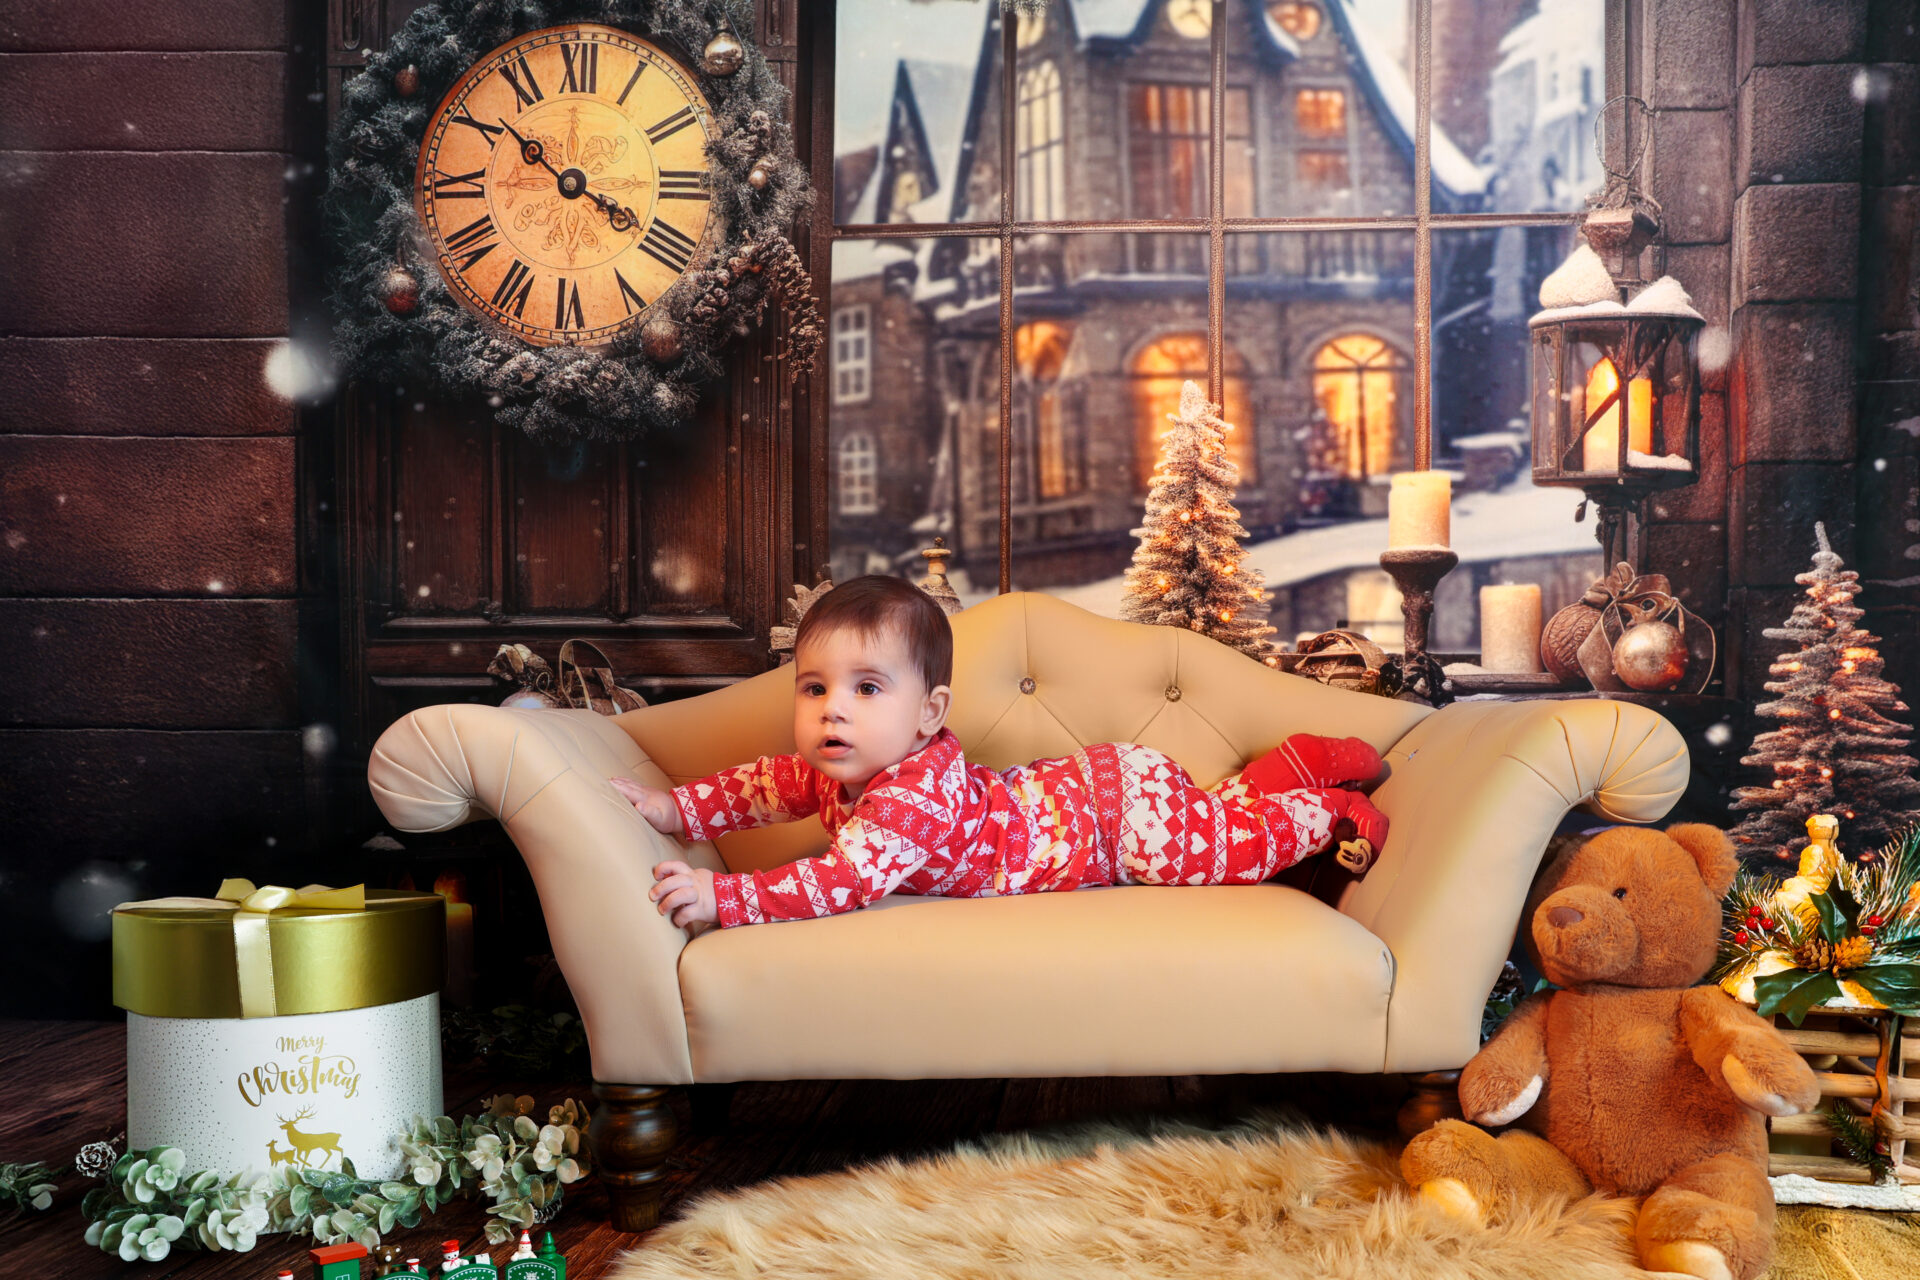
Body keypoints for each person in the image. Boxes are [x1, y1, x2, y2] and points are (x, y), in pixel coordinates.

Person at [611, 576, 1388, 929]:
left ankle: (1327, 805)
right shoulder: (843, 771)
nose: (831, 710)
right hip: (1089, 788)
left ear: (929, 714)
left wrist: (726, 899)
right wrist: (675, 807)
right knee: (1216, 819)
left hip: (1117, 820)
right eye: (814, 689)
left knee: (1226, 849)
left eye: (867, 690)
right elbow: (764, 785)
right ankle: (1294, 767)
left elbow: (838, 882)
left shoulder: (909, 803)